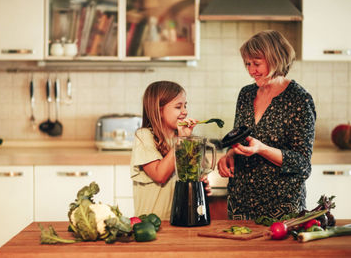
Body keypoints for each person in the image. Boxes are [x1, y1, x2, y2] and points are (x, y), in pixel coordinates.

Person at [217, 30, 316, 220]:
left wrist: (262, 149)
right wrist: (230, 154)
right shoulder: (246, 94)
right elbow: (240, 138)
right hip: (241, 203)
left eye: (256, 63)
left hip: (280, 207)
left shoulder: (299, 100)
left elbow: (303, 165)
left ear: (276, 58)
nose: (251, 70)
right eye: (247, 64)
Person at [130, 80, 210, 220]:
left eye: (185, 105)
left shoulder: (187, 140)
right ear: (159, 110)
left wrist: (202, 184)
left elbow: (198, 175)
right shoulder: (144, 136)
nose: (185, 112)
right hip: (152, 223)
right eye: (178, 107)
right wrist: (181, 141)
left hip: (181, 222)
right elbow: (159, 175)